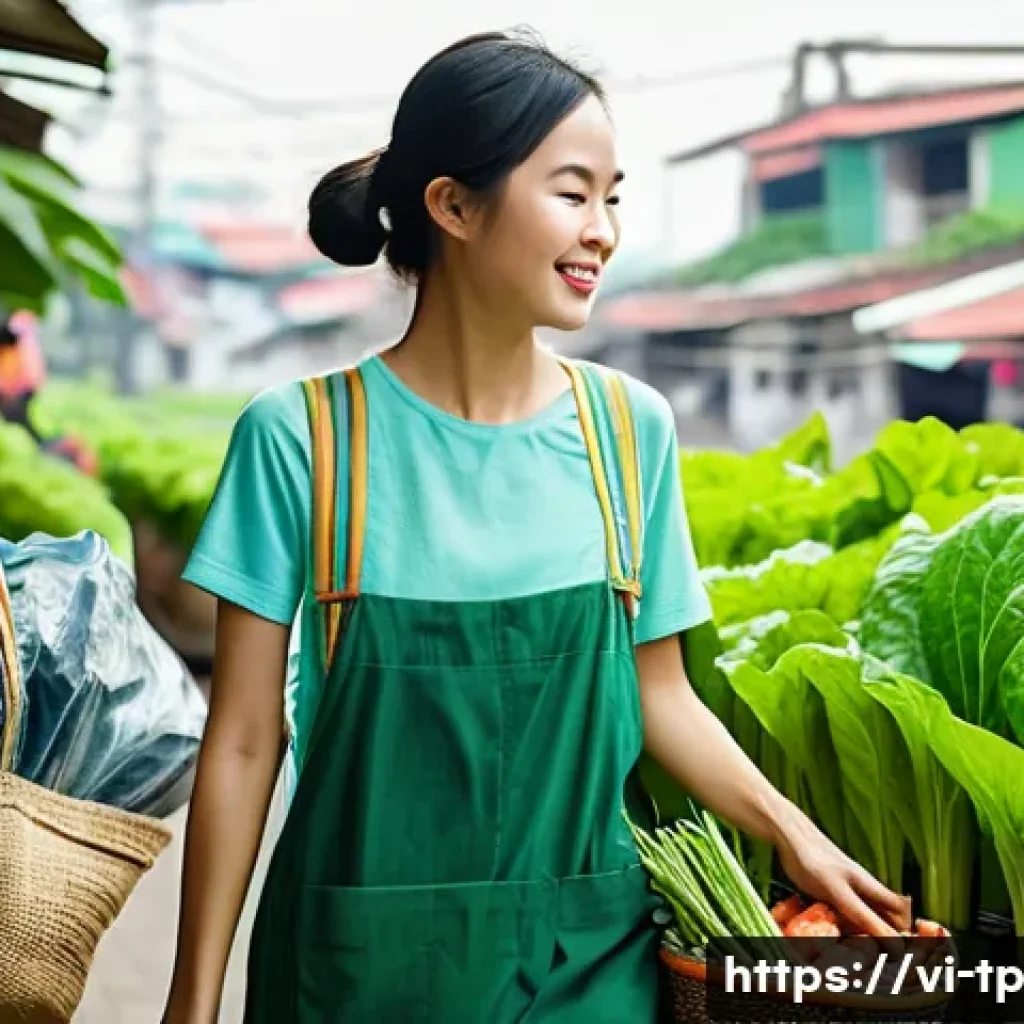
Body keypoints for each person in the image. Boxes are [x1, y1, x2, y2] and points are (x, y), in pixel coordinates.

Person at [163, 30, 908, 1024]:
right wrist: (191, 1000)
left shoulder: (626, 433)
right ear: (454, 205)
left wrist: (796, 836)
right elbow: (245, 741)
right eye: (571, 191)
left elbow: (661, 694)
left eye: (613, 196)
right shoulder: (304, 440)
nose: (602, 228)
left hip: (584, 962)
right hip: (354, 971)